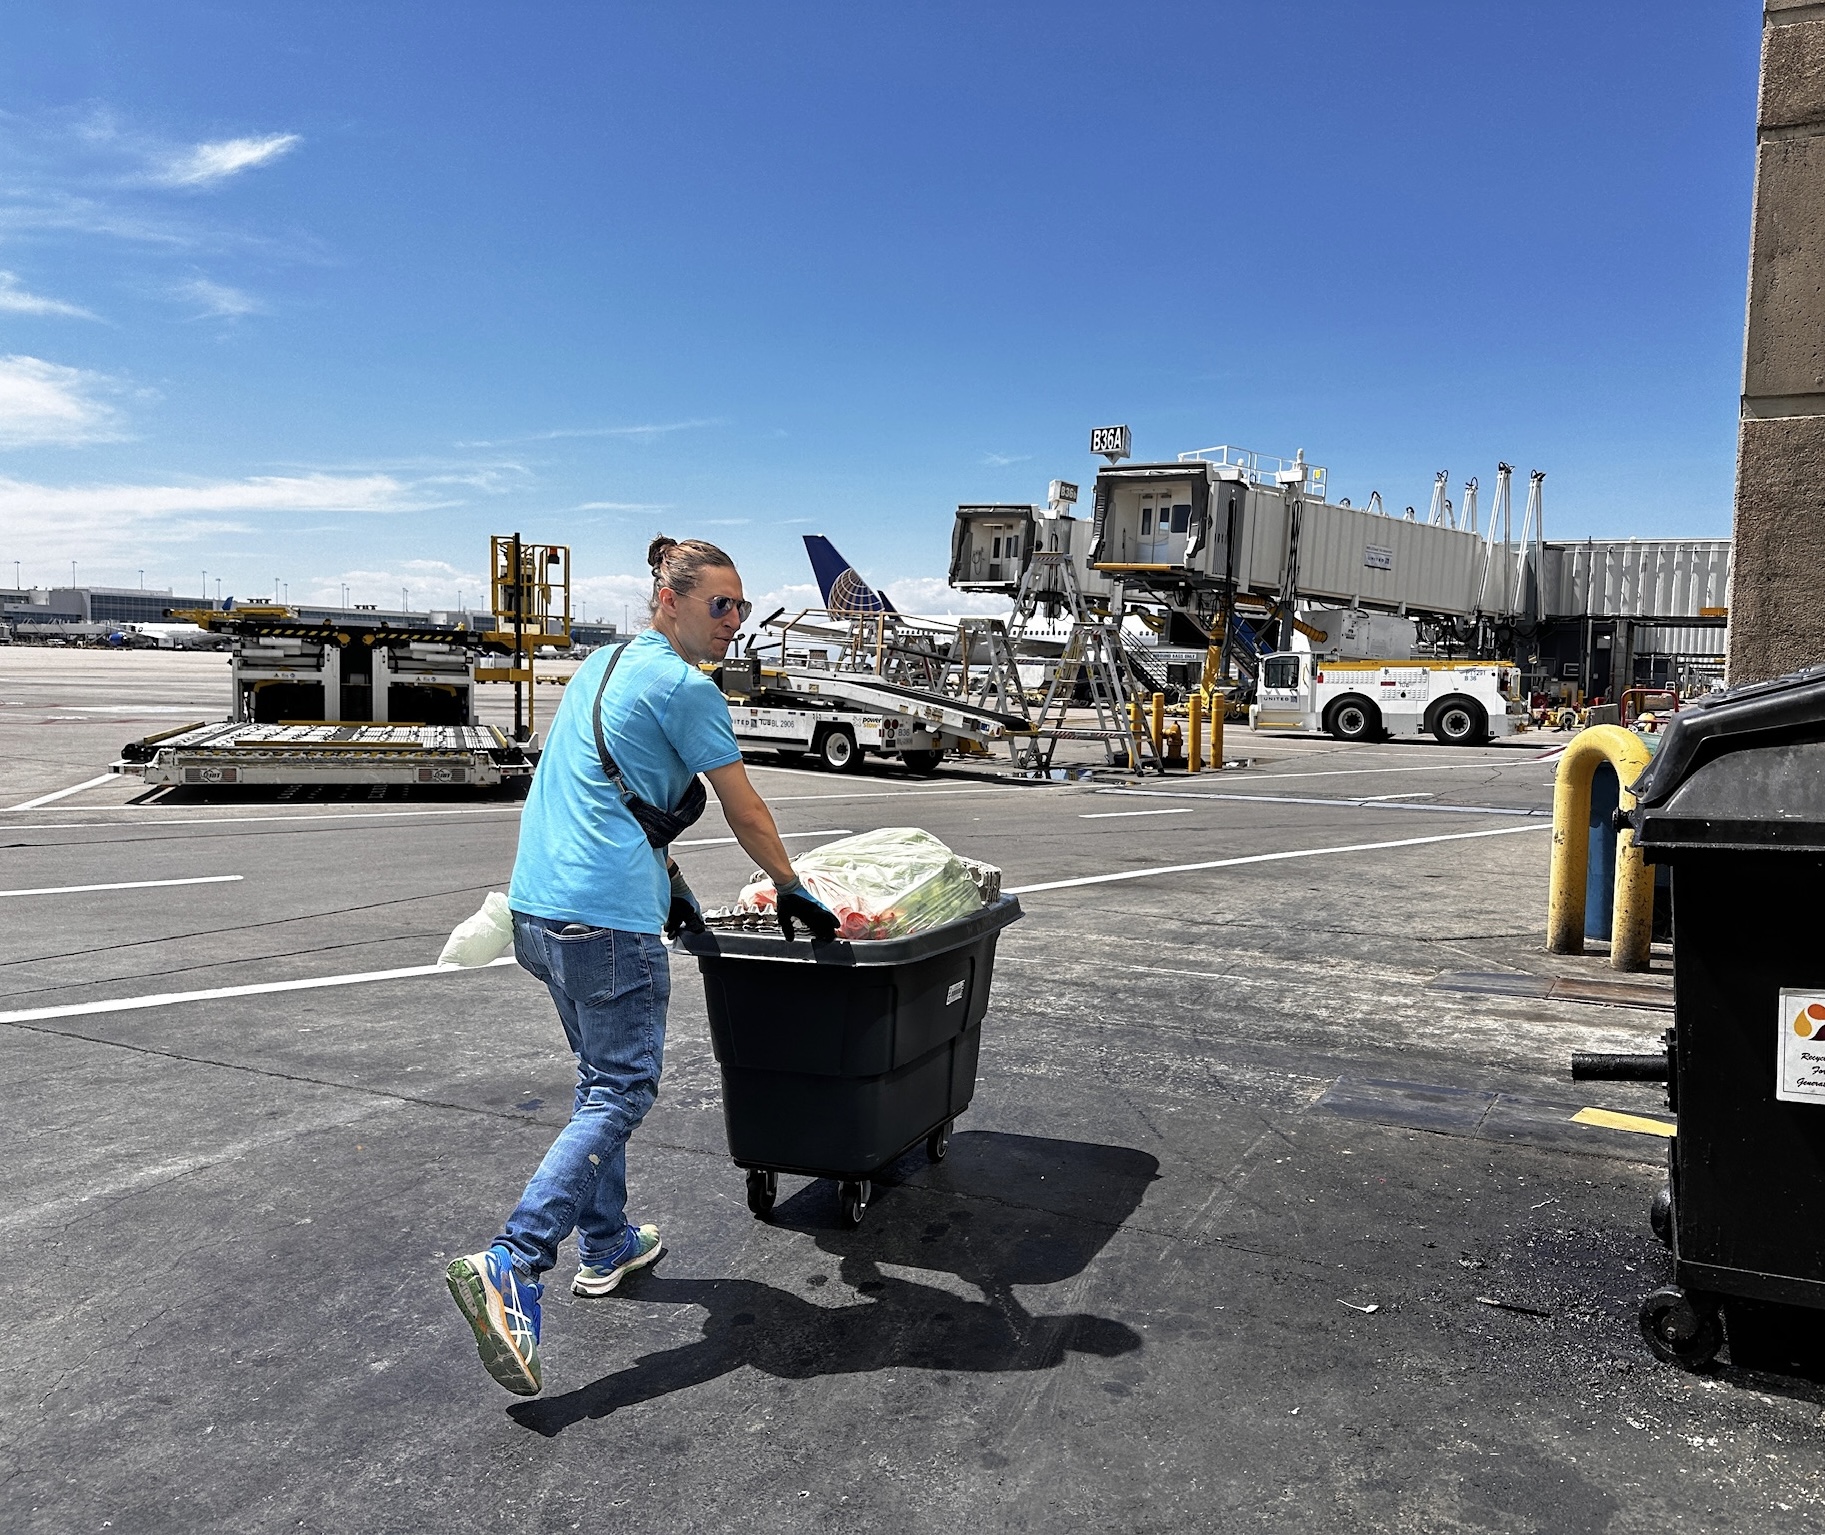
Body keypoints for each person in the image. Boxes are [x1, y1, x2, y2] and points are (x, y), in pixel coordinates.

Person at [447, 534, 840, 1397]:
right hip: (605, 925)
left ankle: (607, 1243)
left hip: (538, 911)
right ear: (670, 600)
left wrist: (671, 883)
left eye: (742, 605)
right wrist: (791, 887)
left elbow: (601, 795)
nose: (735, 621)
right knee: (622, 1090)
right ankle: (514, 1259)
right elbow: (745, 806)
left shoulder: (601, 666)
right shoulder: (685, 686)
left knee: (596, 1082)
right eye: (719, 604)